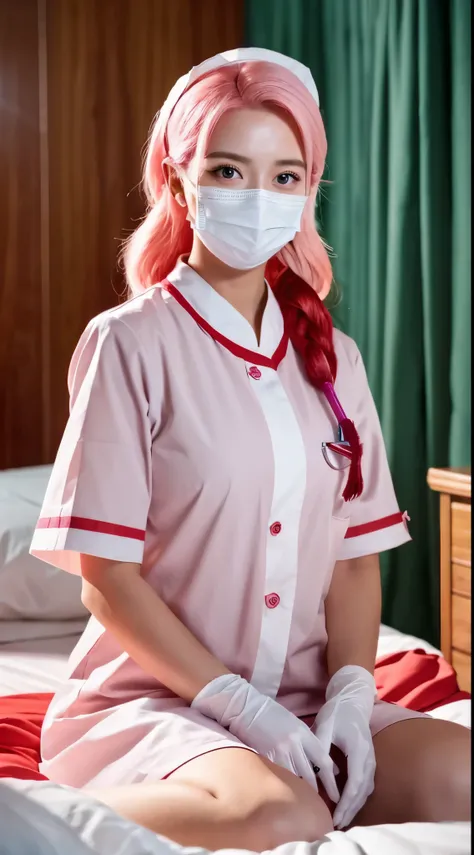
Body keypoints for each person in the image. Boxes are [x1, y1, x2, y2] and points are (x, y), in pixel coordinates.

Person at [30, 47, 470, 851]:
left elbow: (353, 559)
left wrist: (348, 690)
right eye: (229, 171)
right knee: (282, 815)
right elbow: (106, 581)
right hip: (158, 699)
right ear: (177, 180)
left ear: (307, 192)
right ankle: (35, 822)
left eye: (285, 175)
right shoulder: (128, 344)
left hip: (305, 696)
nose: (257, 197)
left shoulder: (334, 354)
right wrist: (240, 707)